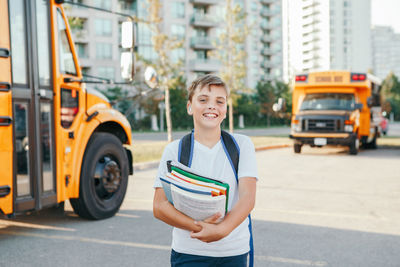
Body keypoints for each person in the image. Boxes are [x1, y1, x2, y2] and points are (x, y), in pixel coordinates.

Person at [153, 74, 258, 267]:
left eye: (220, 101)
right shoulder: (175, 150)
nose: (212, 106)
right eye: (203, 100)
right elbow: (159, 206)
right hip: (189, 252)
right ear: (189, 107)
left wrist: (223, 230)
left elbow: (247, 197)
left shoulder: (242, 145)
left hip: (233, 251)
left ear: (225, 111)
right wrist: (199, 228)